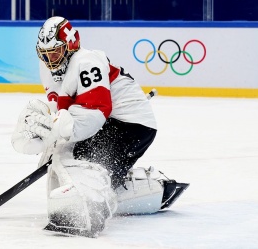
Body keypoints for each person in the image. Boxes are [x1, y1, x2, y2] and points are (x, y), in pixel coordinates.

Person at [12, 16, 188, 238]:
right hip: (111, 122)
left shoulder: (87, 62)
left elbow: (95, 114)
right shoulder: (50, 66)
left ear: (70, 45)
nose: (50, 60)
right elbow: (62, 110)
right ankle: (122, 188)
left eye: (54, 53)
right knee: (70, 154)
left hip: (132, 124)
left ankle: (94, 205)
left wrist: (59, 132)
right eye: (45, 54)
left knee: (89, 161)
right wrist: (51, 137)